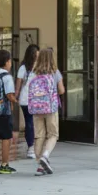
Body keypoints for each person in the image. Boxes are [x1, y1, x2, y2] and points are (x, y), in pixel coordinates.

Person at [28, 46, 65, 175]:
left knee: (39, 136)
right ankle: (45, 156)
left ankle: (40, 166)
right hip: (50, 108)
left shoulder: (33, 72)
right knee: (53, 135)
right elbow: (61, 90)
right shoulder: (55, 72)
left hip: (37, 109)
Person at [16, 44, 39, 159]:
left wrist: (16, 96)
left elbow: (18, 84)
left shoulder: (24, 67)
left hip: (27, 99)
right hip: (31, 99)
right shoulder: (28, 68)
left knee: (30, 123)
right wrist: (15, 96)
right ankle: (31, 147)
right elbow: (18, 84)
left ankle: (32, 148)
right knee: (31, 123)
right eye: (37, 53)